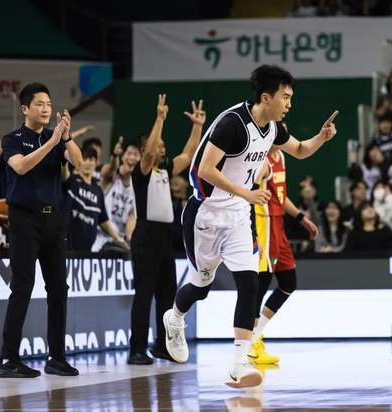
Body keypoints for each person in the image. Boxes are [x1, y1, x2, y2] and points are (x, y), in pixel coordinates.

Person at [162, 65, 337, 389]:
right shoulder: (232, 123)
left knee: (250, 284)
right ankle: (174, 318)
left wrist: (321, 138)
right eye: (285, 97)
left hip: (239, 216)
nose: (289, 104)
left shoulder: (273, 129)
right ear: (266, 97)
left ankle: (238, 366)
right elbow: (204, 170)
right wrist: (246, 192)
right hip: (206, 214)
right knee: (201, 288)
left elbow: (301, 150)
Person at [0, 82, 83, 378]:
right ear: (25, 109)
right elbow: (21, 167)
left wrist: (66, 137)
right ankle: (9, 359)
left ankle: (56, 357)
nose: (46, 109)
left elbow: (79, 163)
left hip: (53, 221)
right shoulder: (13, 139)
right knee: (22, 286)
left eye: (48, 104)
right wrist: (52, 142)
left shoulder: (56, 137)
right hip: (24, 220)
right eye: (39, 104)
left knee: (59, 288)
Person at [127, 95, 204, 365]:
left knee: (166, 296)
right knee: (143, 295)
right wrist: (160, 118)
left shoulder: (165, 171)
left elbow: (189, 154)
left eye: (163, 145)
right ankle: (137, 349)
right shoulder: (142, 172)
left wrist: (197, 126)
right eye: (159, 145)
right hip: (145, 236)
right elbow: (149, 154)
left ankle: (162, 345)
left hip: (164, 238)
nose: (162, 148)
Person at [250, 146, 319, 365]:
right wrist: (253, 234)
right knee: (260, 285)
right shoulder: (261, 160)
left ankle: (256, 334)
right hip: (263, 223)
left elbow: (280, 196)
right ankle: (251, 344)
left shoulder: (280, 156)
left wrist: (301, 218)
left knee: (289, 283)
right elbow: (247, 195)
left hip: (278, 224)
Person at [63, 147, 126, 252]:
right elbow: (63, 173)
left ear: (96, 162)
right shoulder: (71, 180)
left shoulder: (98, 190)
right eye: (84, 159)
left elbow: (103, 220)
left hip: (87, 250)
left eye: (91, 159)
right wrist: (63, 152)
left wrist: (119, 239)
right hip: (66, 246)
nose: (88, 163)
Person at [91, 138, 141, 252]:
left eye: (136, 155)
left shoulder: (137, 187)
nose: (132, 157)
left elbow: (131, 217)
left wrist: (129, 241)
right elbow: (110, 169)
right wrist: (114, 156)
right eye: (129, 153)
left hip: (119, 242)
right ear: (122, 156)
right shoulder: (112, 175)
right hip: (99, 236)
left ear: (140, 159)